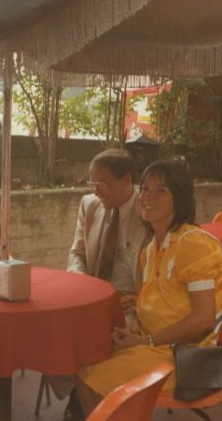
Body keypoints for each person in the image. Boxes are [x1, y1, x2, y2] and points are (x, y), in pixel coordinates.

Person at [76, 159, 222, 416]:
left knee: (93, 376)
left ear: (180, 199)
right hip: (155, 345)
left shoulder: (193, 244)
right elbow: (153, 304)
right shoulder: (153, 247)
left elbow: (203, 320)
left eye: (161, 190)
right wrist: (133, 327)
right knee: (85, 360)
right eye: (146, 189)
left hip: (184, 357)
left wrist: (144, 340)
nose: (148, 197)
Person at [60, 148, 149, 420]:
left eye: (103, 184)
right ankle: (81, 391)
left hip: (128, 300)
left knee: (90, 338)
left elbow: (157, 271)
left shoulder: (148, 213)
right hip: (90, 293)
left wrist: (141, 298)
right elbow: (76, 253)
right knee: (57, 329)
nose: (97, 190)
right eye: (92, 183)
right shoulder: (89, 204)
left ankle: (92, 397)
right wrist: (81, 282)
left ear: (127, 181)